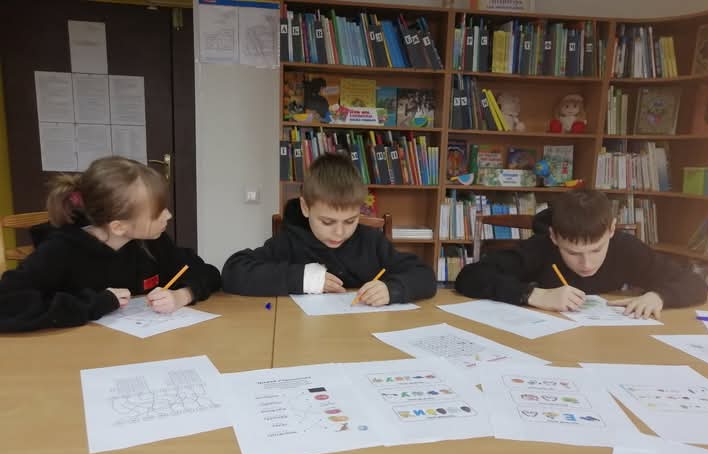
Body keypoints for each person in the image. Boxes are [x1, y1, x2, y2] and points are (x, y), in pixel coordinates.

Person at [0, 156, 221, 332]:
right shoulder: (60, 250)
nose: (169, 216)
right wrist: (95, 303)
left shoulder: (151, 242)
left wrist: (183, 295)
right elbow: (8, 303)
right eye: (157, 213)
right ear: (118, 227)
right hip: (75, 356)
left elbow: (208, 273)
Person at [455, 190, 707, 319]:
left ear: (611, 230)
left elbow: (694, 283)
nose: (586, 263)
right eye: (573, 252)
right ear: (554, 237)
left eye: (596, 250)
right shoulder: (542, 248)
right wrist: (533, 294)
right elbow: (470, 276)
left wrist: (659, 296)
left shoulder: (625, 248)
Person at [222, 153, 436, 305]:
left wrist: (392, 290)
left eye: (350, 221)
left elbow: (425, 276)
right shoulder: (290, 242)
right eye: (327, 222)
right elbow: (233, 272)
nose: (340, 233)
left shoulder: (372, 242)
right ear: (305, 208)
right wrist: (304, 278)